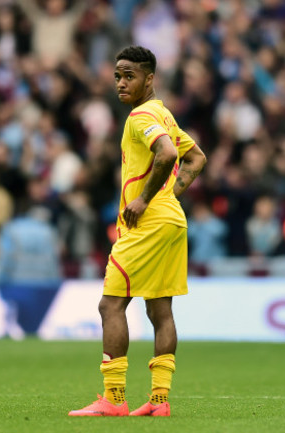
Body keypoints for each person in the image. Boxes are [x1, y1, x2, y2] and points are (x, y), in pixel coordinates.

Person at [69, 46, 206, 417]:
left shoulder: (141, 117)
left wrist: (146, 200)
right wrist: (168, 197)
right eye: (117, 76)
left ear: (150, 78)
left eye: (129, 75)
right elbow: (197, 158)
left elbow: (166, 155)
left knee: (110, 304)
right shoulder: (163, 112)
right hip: (172, 219)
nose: (121, 83)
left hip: (147, 223)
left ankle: (113, 398)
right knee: (160, 309)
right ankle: (159, 401)